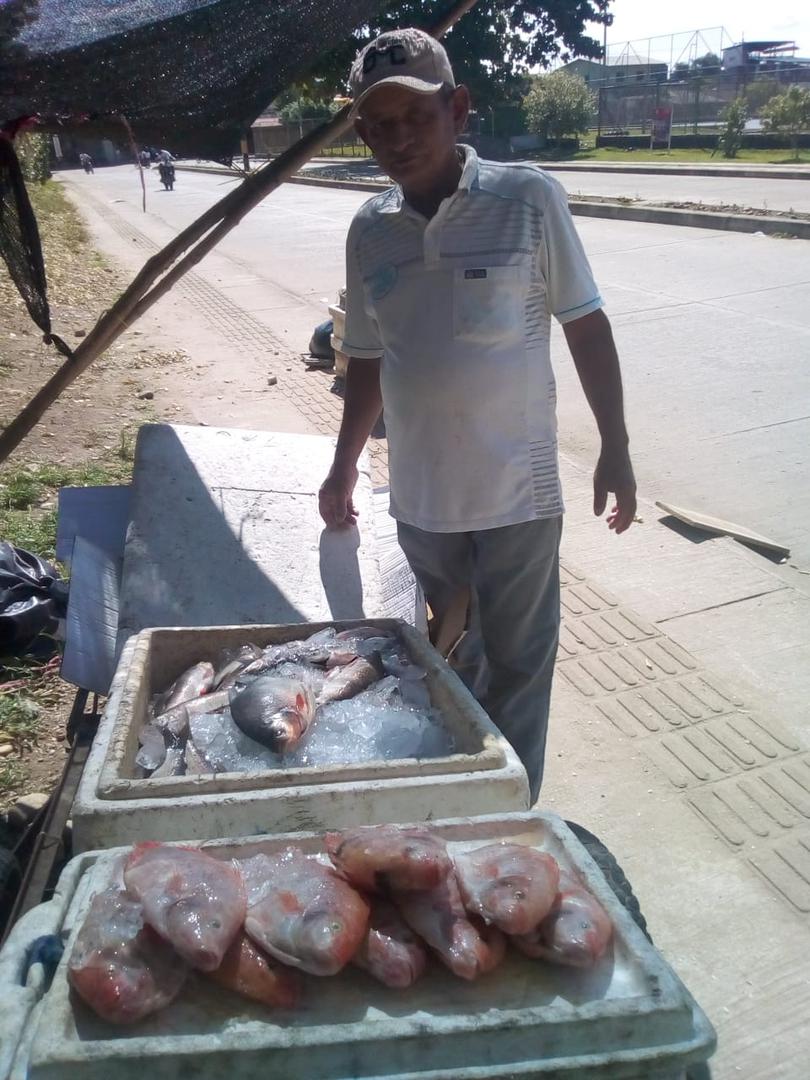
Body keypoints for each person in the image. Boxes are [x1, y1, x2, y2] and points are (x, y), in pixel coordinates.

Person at [318, 28, 636, 802]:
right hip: (423, 497)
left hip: (516, 494)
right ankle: (457, 790)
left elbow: (585, 323)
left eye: (415, 117)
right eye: (379, 124)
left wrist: (616, 447)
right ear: (362, 131)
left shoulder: (526, 199)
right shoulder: (370, 230)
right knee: (447, 654)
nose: (397, 138)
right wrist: (342, 465)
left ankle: (509, 811)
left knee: (521, 663)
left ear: (457, 110)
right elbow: (365, 358)